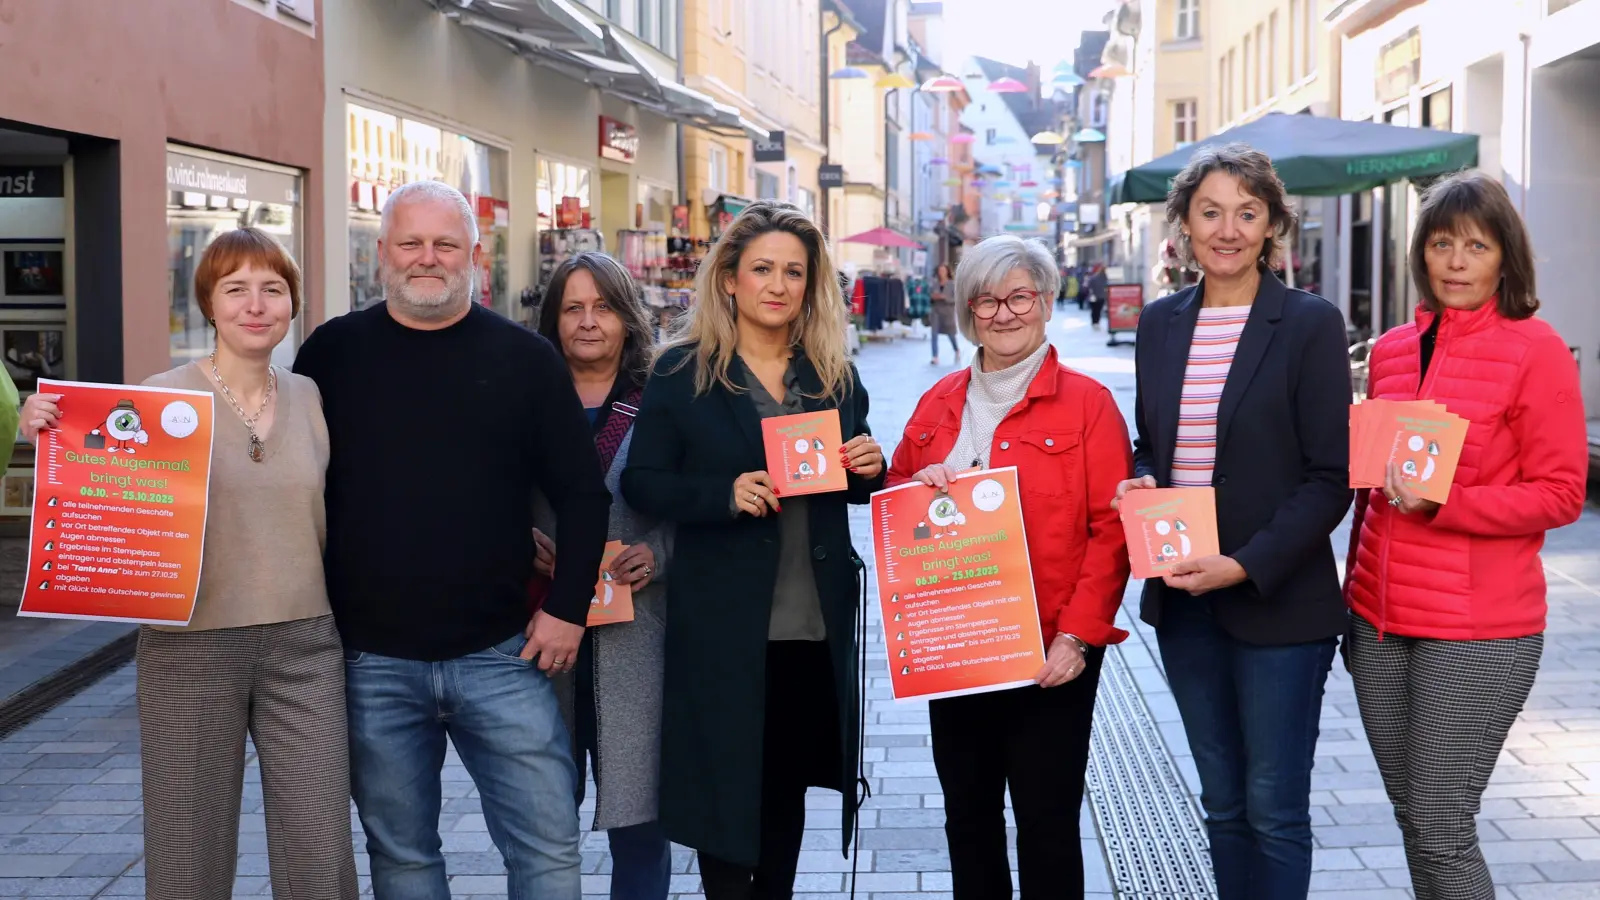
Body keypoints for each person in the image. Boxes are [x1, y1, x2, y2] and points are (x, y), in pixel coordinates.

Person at [292, 180, 613, 899]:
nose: (426, 259)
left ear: (475, 255)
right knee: (402, 857)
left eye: (445, 244)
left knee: (549, 850)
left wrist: (567, 608)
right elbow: (265, 456)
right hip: (372, 660)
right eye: (411, 243)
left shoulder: (527, 359)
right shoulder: (332, 354)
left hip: (504, 653)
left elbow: (582, 495)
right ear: (382, 255)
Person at [22, 228, 359, 899]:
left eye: (272, 289)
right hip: (189, 647)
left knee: (321, 853)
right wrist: (46, 431)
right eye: (236, 289)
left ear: (292, 303)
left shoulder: (312, 398)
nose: (255, 304)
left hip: (307, 645)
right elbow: (104, 498)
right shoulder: (158, 398)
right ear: (209, 303)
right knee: (188, 854)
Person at [620, 201, 886, 898]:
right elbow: (644, 482)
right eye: (762, 268)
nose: (778, 284)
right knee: (724, 797)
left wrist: (870, 467)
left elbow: (854, 491)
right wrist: (721, 495)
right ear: (729, 279)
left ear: (811, 284)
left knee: (783, 793)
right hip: (723, 627)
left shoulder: (833, 375)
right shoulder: (684, 372)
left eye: (794, 272)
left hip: (810, 624)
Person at [1115, 143, 1353, 900]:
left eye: (1247, 213)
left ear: (1272, 224)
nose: (1228, 229)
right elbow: (1158, 441)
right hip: (1185, 600)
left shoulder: (1310, 323)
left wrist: (1245, 563)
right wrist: (1144, 476)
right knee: (1221, 807)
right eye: (1211, 212)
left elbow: (1330, 477)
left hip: (1278, 603)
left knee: (1274, 809)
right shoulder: (1159, 324)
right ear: (1183, 224)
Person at [1343, 171, 1588, 900]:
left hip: (1477, 632)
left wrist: (1446, 502)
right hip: (1378, 625)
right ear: (1420, 255)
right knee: (1414, 820)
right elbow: (1370, 494)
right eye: (1442, 243)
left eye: (1475, 245)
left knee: (1443, 825)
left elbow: (1561, 493)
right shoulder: (1387, 352)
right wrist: (1347, 600)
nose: (1455, 260)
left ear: (1503, 258)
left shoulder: (1534, 350)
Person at [885, 234, 1133, 898]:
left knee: (1047, 824)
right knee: (967, 819)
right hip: (958, 651)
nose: (1003, 313)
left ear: (1047, 302)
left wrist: (1078, 637)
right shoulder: (938, 404)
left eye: (1019, 296)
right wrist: (919, 486)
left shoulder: (1088, 405)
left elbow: (1112, 531)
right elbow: (897, 506)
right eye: (986, 300)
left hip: (1050, 652)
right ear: (968, 310)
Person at [531, 251, 674, 900]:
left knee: (641, 827)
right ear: (553, 318)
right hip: (539, 638)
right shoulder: (526, 393)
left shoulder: (668, 395)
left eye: (604, 307)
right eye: (573, 308)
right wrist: (514, 542)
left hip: (639, 640)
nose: (589, 323)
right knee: (538, 823)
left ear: (627, 316)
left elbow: (703, 496)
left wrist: (662, 552)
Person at [929, 262, 960, 365]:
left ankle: (956, 350)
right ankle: (935, 356)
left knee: (951, 334)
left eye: (943, 270)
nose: (941, 272)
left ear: (947, 271)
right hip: (935, 312)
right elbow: (929, 295)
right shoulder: (934, 283)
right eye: (940, 271)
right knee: (934, 334)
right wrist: (933, 297)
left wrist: (945, 298)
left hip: (947, 313)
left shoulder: (952, 284)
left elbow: (956, 299)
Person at [1086, 263, 1110, 328]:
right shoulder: (1105, 278)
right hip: (1101, 296)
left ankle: (1094, 322)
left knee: (1094, 310)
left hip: (1094, 296)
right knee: (1098, 310)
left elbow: (1089, 286)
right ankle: (1096, 322)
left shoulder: (1094, 277)